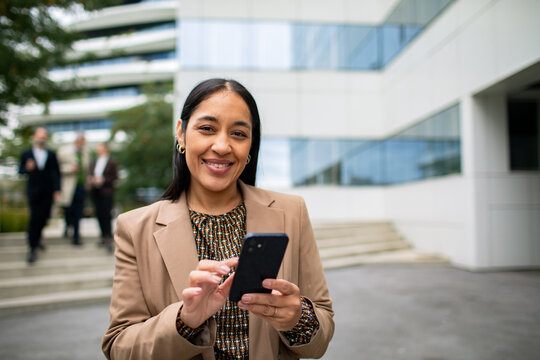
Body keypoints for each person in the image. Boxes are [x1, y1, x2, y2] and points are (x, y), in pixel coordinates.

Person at [102, 79, 334, 360]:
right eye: (207, 129)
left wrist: (298, 318)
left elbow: (320, 338)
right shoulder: (134, 228)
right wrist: (184, 320)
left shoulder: (292, 211)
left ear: (250, 146)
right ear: (181, 133)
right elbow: (119, 347)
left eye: (238, 133)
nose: (222, 146)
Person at [18, 127, 61, 264]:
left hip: (48, 192)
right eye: (40, 136)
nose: (42, 138)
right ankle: (32, 246)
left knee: (44, 216)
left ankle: (38, 238)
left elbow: (56, 173)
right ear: (35, 137)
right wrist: (27, 168)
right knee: (34, 217)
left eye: (44, 136)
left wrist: (57, 190)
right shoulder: (26, 153)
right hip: (34, 191)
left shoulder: (51, 154)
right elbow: (20, 171)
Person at [57, 133, 89, 245]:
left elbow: (86, 171)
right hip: (68, 187)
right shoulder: (64, 151)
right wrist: (69, 168)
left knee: (78, 212)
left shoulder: (85, 154)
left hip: (80, 187)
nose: (82, 144)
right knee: (68, 210)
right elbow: (57, 168)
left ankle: (76, 236)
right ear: (76, 141)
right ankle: (68, 225)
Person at [88, 142, 118, 252]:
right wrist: (92, 180)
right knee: (99, 214)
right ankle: (102, 236)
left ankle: (108, 237)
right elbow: (90, 173)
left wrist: (103, 180)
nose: (97, 149)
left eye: (99, 147)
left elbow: (115, 177)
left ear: (105, 149)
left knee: (106, 214)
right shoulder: (94, 161)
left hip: (107, 191)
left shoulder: (112, 161)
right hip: (95, 191)